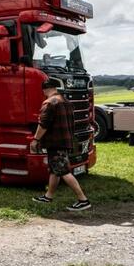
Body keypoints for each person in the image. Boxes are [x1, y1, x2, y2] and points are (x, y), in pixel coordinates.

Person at [31, 79, 91, 211]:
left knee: (63, 171)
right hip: (66, 140)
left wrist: (35, 140)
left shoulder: (49, 103)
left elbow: (43, 124)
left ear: (45, 90)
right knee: (55, 170)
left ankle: (83, 200)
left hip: (55, 142)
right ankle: (48, 196)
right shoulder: (67, 102)